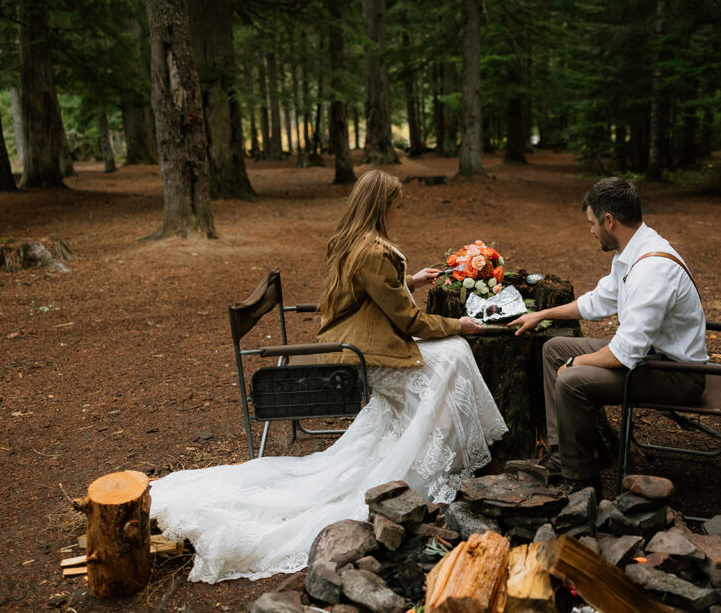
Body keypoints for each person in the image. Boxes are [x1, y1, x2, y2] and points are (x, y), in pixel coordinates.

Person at [150, 170, 507, 583]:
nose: (399, 210)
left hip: (358, 340)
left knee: (448, 360)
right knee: (452, 358)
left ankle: (433, 448)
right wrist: (459, 325)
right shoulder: (373, 250)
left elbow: (366, 292)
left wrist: (411, 280)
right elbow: (409, 319)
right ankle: (432, 460)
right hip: (364, 355)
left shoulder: (350, 240)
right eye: (396, 203)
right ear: (381, 205)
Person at [509, 177, 707, 496]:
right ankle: (563, 455)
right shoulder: (633, 251)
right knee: (554, 349)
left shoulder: (651, 270)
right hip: (651, 359)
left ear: (609, 221)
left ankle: (581, 481)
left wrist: (577, 363)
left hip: (678, 375)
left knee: (571, 379)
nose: (590, 231)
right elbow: (598, 302)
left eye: (591, 223)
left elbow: (624, 354)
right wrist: (541, 314)